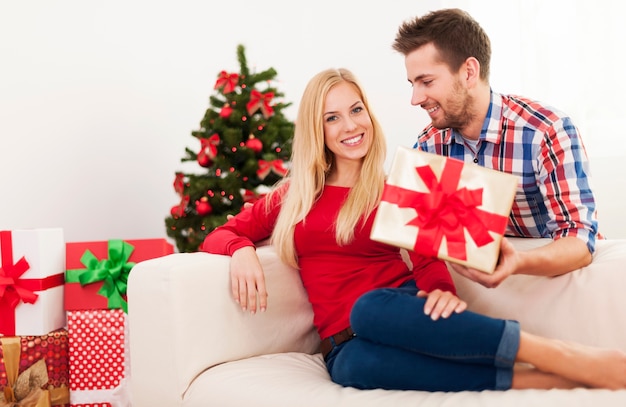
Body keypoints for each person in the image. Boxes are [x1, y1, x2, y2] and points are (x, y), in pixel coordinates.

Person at [201, 68, 626, 392]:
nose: (350, 126)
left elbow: (427, 257)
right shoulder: (292, 197)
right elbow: (218, 235)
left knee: (367, 309)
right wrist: (241, 250)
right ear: (318, 130)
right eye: (332, 118)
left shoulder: (395, 188)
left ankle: (561, 355)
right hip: (343, 344)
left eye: (356, 110)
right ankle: (549, 382)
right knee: (352, 370)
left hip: (394, 309)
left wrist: (442, 290)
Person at [392, 8, 600, 288]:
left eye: (426, 82)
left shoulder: (546, 131)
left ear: (468, 72)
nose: (415, 99)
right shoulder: (429, 145)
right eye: (412, 84)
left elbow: (579, 238)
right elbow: (420, 236)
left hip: (562, 282)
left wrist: (518, 262)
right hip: (488, 291)